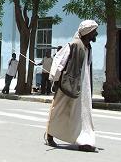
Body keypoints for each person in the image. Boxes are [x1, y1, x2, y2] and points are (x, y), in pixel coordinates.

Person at [45, 20, 99, 152]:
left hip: (82, 87)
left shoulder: (87, 48)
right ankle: (50, 134)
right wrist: (55, 80)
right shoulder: (73, 45)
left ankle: (84, 140)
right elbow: (59, 62)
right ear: (88, 33)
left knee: (83, 113)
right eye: (94, 32)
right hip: (68, 85)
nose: (96, 34)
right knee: (60, 109)